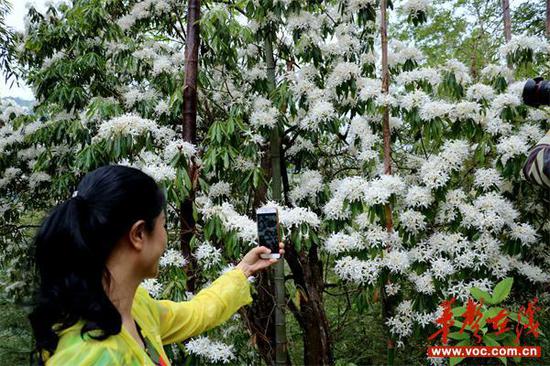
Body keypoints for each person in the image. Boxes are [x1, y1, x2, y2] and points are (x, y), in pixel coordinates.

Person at [29, 165, 284, 365]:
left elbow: (195, 313)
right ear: (138, 234)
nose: (166, 237)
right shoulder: (92, 357)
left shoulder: (133, 307)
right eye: (163, 225)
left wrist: (244, 270)